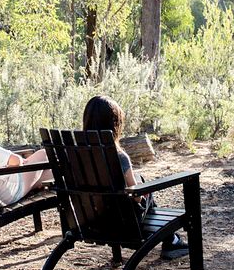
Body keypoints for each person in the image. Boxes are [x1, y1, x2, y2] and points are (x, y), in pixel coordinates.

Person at [81, 95, 188, 259]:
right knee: (144, 188)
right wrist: (143, 190)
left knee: (139, 183)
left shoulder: (76, 154)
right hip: (125, 225)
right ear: (114, 124)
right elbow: (137, 198)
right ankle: (171, 240)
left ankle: (171, 239)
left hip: (91, 222)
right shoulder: (119, 157)